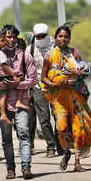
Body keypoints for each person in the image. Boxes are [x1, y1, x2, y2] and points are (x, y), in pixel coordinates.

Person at [41, 26, 91, 172]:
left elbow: (83, 69)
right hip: (59, 98)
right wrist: (55, 83)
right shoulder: (49, 55)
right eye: (60, 36)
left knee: (78, 128)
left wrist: (78, 74)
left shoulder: (74, 53)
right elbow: (43, 77)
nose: (63, 39)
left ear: (69, 39)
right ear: (55, 38)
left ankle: (77, 162)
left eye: (66, 36)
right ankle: (67, 152)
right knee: (62, 128)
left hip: (75, 95)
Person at [0, 24, 37, 180]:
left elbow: (32, 80)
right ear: (2, 38)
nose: (11, 40)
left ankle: (26, 167)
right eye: (8, 37)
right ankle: (10, 169)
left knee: (24, 133)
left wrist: (16, 84)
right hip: (3, 104)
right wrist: (8, 84)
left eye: (13, 37)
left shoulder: (25, 56)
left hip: (21, 102)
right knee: (6, 139)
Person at [25, 23, 63, 158]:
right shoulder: (30, 49)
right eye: (38, 36)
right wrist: (28, 90)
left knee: (59, 117)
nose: (40, 38)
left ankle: (60, 144)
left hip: (56, 87)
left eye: (43, 36)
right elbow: (27, 71)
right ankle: (51, 146)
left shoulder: (56, 46)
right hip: (38, 87)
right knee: (44, 118)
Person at [0, 29, 27, 125]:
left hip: (0, 76)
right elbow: (5, 67)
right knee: (20, 79)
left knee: (3, 96)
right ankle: (4, 114)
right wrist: (13, 75)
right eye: (3, 40)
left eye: (14, 37)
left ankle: (4, 114)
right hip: (3, 76)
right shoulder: (1, 53)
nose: (6, 42)